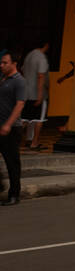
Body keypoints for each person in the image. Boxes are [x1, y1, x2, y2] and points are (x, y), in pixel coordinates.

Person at [0, 49, 26, 206]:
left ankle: (14, 194)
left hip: (11, 129)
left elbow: (20, 103)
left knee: (12, 162)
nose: (1, 65)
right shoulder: (3, 78)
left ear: (14, 64)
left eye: (5, 62)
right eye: (1, 62)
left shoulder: (19, 81)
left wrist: (8, 124)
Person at [20, 39, 50, 151]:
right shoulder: (41, 57)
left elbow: (23, 71)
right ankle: (35, 142)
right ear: (46, 45)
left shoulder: (28, 56)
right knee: (39, 119)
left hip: (26, 93)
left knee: (24, 118)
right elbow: (41, 75)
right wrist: (40, 94)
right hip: (37, 93)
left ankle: (10, 139)